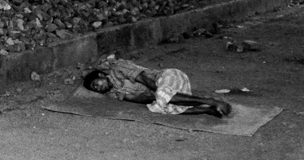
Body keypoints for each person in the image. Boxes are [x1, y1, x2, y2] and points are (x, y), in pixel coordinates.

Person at [82, 55, 232, 118]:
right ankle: (208, 110)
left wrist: (160, 94)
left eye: (96, 84)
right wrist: (157, 101)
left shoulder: (118, 68)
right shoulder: (113, 93)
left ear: (101, 75)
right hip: (169, 92)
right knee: (161, 108)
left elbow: (144, 78)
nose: (98, 88)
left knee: (163, 96)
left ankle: (212, 101)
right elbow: (136, 98)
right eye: (95, 89)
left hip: (169, 77)